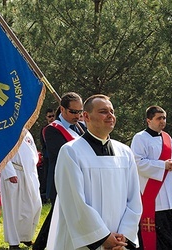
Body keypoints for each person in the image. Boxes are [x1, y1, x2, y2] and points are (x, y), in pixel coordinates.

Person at [46, 94, 142, 249]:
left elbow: (134, 200)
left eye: (112, 111)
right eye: (103, 111)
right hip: (86, 242)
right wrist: (103, 237)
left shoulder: (125, 152)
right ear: (86, 116)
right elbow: (75, 201)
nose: (110, 116)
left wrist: (124, 236)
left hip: (120, 242)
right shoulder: (71, 152)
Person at [33, 92, 85, 250]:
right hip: (60, 181)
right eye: (73, 112)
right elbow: (62, 153)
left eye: (80, 112)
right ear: (62, 109)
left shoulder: (81, 127)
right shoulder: (51, 129)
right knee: (58, 218)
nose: (77, 116)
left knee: (59, 219)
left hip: (78, 180)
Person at [131, 105, 172, 249]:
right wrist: (163, 166)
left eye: (164, 118)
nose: (162, 121)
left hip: (169, 197)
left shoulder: (167, 138)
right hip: (152, 196)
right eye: (159, 118)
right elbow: (137, 163)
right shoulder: (140, 138)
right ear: (149, 120)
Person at [1, 129, 42, 249]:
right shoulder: (6, 132)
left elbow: (33, 153)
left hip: (30, 173)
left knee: (35, 205)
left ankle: (26, 236)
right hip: (14, 173)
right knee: (15, 209)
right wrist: (9, 172)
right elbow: (2, 153)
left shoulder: (27, 132)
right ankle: (14, 242)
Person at [38, 108, 55, 202]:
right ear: (46, 117)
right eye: (49, 116)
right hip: (48, 158)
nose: (52, 118)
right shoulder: (44, 129)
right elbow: (43, 144)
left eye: (53, 116)